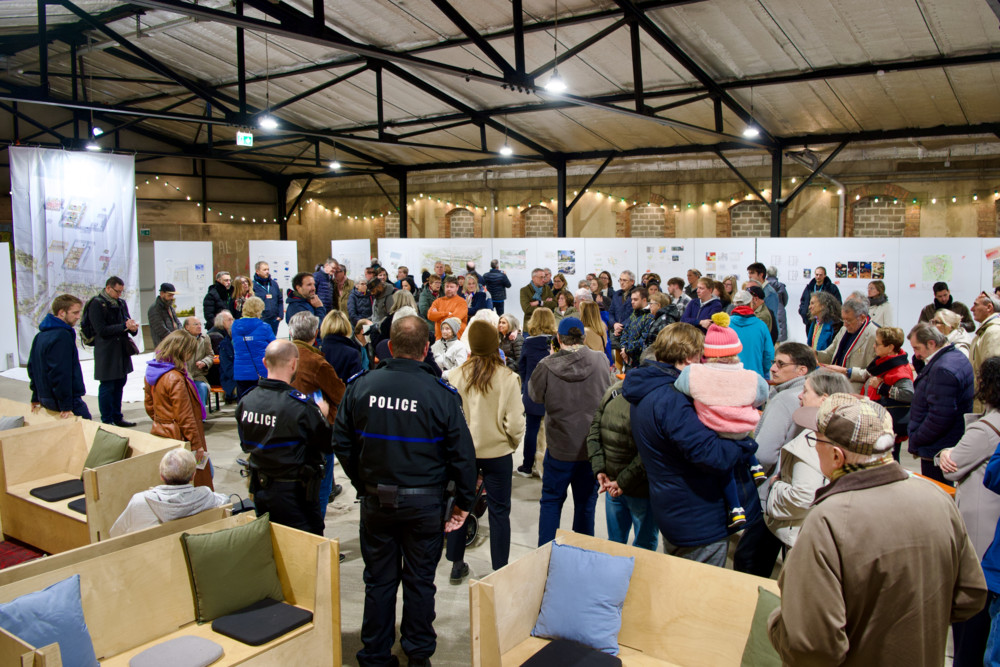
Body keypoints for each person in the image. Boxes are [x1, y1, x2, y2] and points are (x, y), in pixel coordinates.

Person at [768, 393, 987, 666]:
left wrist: (776, 622)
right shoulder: (937, 498)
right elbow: (970, 595)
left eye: (816, 439)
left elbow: (811, 647)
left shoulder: (828, 520)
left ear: (837, 456)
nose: (813, 447)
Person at [332, 316, 476, 667]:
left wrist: (362, 482)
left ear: (390, 347)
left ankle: (375, 654)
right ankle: (418, 652)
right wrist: (463, 504)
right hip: (424, 505)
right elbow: (463, 456)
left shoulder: (361, 387)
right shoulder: (440, 394)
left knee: (379, 581)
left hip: (376, 502)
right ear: (427, 349)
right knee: (420, 581)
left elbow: (342, 442)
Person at [623, 323, 759, 566]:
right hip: (697, 517)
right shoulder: (671, 399)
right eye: (702, 357)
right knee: (698, 597)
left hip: (675, 506)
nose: (705, 363)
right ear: (688, 358)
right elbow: (714, 456)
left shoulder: (649, 389)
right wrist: (745, 443)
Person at [445, 320, 525, 581]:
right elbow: (514, 422)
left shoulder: (454, 376)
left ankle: (457, 563)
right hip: (498, 453)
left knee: (460, 506)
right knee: (500, 511)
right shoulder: (509, 378)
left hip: (464, 455)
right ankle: (499, 569)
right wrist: (511, 443)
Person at [673, 313, 769, 529]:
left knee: (725, 471)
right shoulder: (752, 378)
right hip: (743, 431)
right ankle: (755, 467)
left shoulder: (693, 374)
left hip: (714, 432)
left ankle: (735, 509)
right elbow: (761, 397)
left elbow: (681, 388)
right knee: (744, 441)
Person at [734, 342, 818, 576]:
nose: (772, 368)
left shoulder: (785, 399)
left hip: (771, 492)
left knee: (749, 559)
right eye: (773, 362)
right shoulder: (806, 395)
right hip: (796, 494)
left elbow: (764, 453)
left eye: (781, 364)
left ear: (801, 370)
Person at [529, 317, 614, 546]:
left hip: (559, 447)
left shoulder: (546, 365)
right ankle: (581, 557)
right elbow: (609, 391)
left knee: (551, 502)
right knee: (586, 505)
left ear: (558, 338)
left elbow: (534, 396)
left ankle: (545, 557)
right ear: (584, 338)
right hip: (591, 448)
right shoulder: (600, 360)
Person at [937, 356, 1000, 666]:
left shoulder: (986, 428)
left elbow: (951, 468)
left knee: (972, 625)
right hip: (991, 529)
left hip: (981, 533)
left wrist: (944, 452)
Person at [238, 339, 334, 536]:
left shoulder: (246, 402)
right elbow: (327, 444)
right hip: (294, 493)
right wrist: (321, 416)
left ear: (265, 362)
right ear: (293, 364)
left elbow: (245, 443)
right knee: (305, 545)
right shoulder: (301, 407)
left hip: (260, 488)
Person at [764, 371, 852, 549]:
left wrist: (776, 486)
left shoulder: (816, 440)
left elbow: (803, 496)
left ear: (823, 399)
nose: (799, 395)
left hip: (804, 536)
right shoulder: (847, 432)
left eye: (805, 391)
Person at [586, 378, 657, 551]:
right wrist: (620, 480)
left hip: (612, 484)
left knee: (615, 545)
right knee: (644, 549)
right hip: (641, 489)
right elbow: (651, 451)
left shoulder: (612, 391)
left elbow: (594, 432)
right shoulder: (659, 397)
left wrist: (599, 469)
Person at [288, 312, 347, 517]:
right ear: (315, 333)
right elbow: (341, 395)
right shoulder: (316, 362)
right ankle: (316, 534)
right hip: (316, 430)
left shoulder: (281, 355)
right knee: (320, 490)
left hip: (287, 428)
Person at [907, 322, 975, 484]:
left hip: (937, 447)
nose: (915, 354)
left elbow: (940, 416)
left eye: (917, 348)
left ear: (931, 343)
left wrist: (916, 438)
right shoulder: (955, 356)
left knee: (938, 491)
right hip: (944, 442)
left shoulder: (943, 369)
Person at [144, 330, 212, 489]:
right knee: (200, 477)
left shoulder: (153, 371)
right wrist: (197, 445)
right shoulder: (175, 377)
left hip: (162, 432)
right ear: (183, 351)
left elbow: (149, 406)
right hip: (182, 437)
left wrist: (162, 421)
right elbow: (185, 416)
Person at [109, 448, 228, 537]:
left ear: (161, 476)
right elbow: (226, 501)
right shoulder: (206, 496)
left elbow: (115, 534)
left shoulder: (140, 501)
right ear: (193, 475)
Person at [850, 326, 914, 460]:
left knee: (887, 459)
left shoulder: (899, 370)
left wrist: (881, 387)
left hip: (889, 425)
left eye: (878, 344)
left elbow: (909, 394)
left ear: (890, 347)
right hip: (880, 420)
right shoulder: (884, 363)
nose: (874, 346)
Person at [28, 294, 90, 419]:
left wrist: (35, 396)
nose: (78, 317)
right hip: (63, 400)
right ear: (62, 313)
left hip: (45, 397)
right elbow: (60, 372)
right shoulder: (62, 336)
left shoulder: (40, 336)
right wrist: (66, 405)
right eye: (75, 313)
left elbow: (32, 367)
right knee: (89, 431)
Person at [90, 276, 140, 427]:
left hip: (121, 350)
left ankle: (117, 417)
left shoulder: (121, 303)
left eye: (121, 292)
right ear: (108, 288)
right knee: (107, 385)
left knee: (120, 383)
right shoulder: (96, 304)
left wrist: (132, 328)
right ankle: (107, 420)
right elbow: (101, 330)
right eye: (117, 291)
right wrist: (123, 327)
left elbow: (126, 322)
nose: (119, 294)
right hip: (106, 351)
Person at [518, 308, 557, 477]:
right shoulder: (557, 342)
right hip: (554, 391)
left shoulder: (528, 342)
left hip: (533, 390)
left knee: (531, 429)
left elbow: (522, 367)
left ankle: (527, 466)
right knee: (554, 429)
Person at [817, 297, 878, 393]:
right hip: (836, 387)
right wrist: (813, 354)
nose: (845, 324)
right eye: (843, 320)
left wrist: (847, 372)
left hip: (856, 392)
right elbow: (829, 355)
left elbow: (873, 373)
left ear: (862, 318)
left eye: (848, 320)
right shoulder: (843, 330)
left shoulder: (874, 335)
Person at [231, 296, 275, 398]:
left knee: (243, 402)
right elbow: (275, 346)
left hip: (240, 371)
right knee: (261, 403)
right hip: (260, 371)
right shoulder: (265, 327)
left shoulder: (235, 326)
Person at [728, 290, 774, 379]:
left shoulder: (725, 325)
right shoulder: (761, 326)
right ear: (751, 303)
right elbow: (769, 354)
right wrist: (764, 372)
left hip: (731, 377)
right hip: (755, 377)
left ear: (734, 304)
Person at [972, 292, 1000, 413]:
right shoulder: (985, 331)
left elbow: (993, 374)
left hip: (987, 403)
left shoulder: (994, 332)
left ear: (989, 307)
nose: (972, 309)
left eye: (976, 305)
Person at [320, 310, 363, 383]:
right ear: (346, 326)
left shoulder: (318, 351)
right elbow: (356, 385)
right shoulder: (352, 354)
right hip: (345, 393)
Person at [617, 286, 652, 371]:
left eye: (635, 300)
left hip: (641, 362)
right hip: (628, 359)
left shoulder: (649, 317)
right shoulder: (634, 314)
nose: (632, 302)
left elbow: (644, 340)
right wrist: (623, 348)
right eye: (632, 299)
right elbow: (625, 332)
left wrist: (626, 350)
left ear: (644, 300)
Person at [182, 316, 214, 409]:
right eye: (196, 324)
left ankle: (201, 417)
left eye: (200, 324)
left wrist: (204, 362)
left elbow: (210, 355)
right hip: (184, 376)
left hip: (198, 376)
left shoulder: (205, 338)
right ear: (187, 327)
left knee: (202, 387)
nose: (199, 326)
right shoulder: (180, 339)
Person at [207, 310, 236, 402]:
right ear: (221, 322)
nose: (232, 322)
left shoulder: (224, 333)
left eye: (232, 319)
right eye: (229, 320)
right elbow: (221, 359)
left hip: (222, 371)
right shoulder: (217, 336)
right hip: (216, 374)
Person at [747, 263, 781, 333]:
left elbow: (772, 317)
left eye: (752, 273)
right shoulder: (750, 290)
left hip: (768, 332)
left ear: (761, 275)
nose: (750, 276)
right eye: (749, 273)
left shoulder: (770, 293)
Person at [252, 261, 283, 335]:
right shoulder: (253, 285)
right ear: (257, 271)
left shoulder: (274, 284)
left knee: (272, 341)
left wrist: (280, 315)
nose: (267, 272)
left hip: (274, 320)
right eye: (264, 270)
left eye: (268, 269)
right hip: (261, 320)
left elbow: (280, 300)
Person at [147, 282, 181, 348]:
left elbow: (177, 322)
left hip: (174, 344)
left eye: (172, 295)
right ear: (162, 294)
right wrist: (175, 339)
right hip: (164, 346)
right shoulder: (154, 309)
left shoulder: (170, 307)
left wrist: (180, 334)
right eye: (169, 295)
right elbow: (161, 330)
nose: (172, 298)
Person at [765, 266, 789, 342]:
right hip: (780, 310)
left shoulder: (764, 286)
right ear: (776, 274)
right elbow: (785, 299)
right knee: (778, 338)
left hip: (766, 310)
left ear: (767, 274)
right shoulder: (781, 286)